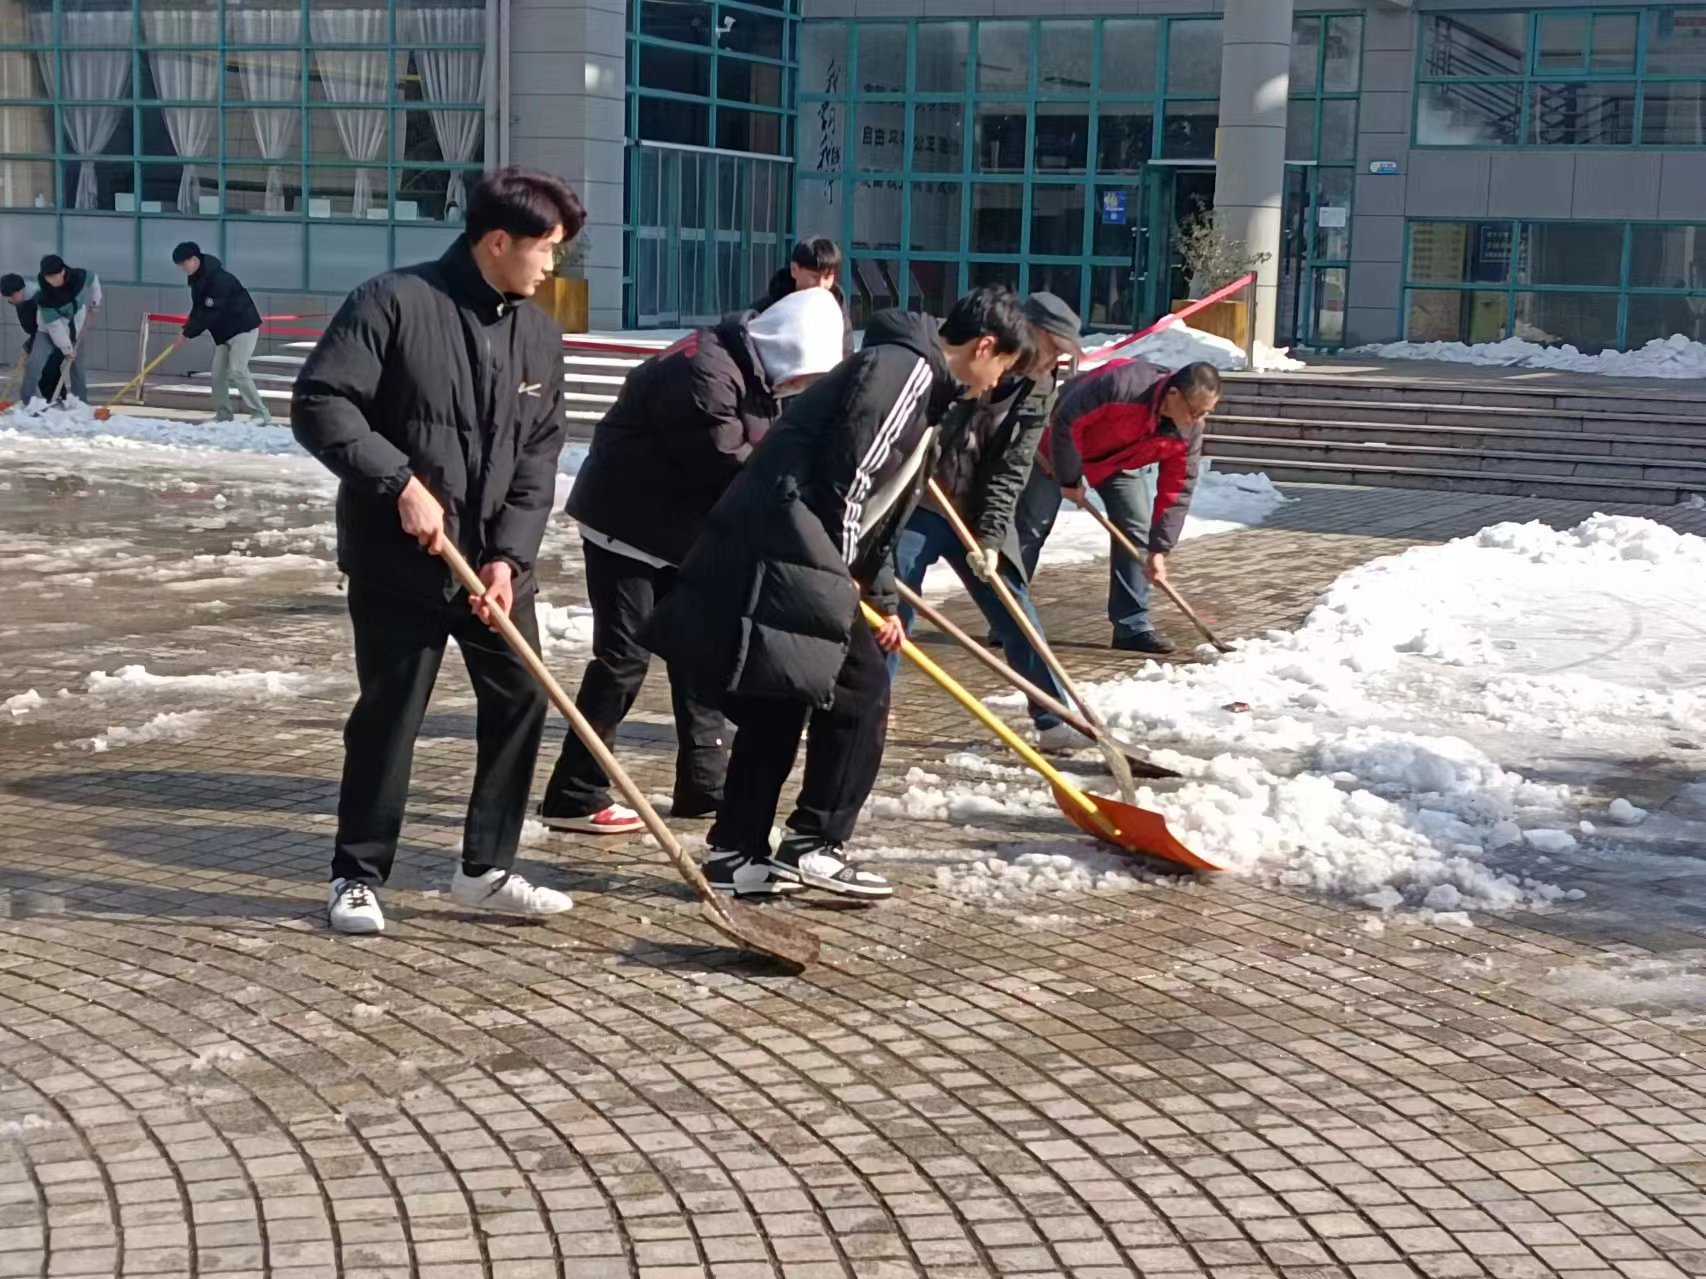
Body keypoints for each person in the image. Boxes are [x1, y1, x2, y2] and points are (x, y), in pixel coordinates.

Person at [642, 286, 1032, 901]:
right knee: (861, 692)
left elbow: (886, 508)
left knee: (780, 698)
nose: (994, 385)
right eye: (1002, 368)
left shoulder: (927, 389)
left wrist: (880, 597)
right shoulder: (908, 368)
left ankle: (734, 853)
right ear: (986, 346)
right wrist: (844, 577)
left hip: (793, 546)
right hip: (792, 548)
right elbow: (848, 480)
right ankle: (816, 845)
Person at [291, 166, 585, 937]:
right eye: (546, 250)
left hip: (488, 566)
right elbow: (321, 402)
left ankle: (485, 869)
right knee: (391, 713)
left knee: (522, 697)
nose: (552, 266)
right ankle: (356, 872)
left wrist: (509, 559)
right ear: (497, 241)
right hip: (400, 561)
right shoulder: (392, 303)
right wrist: (398, 483)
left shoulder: (539, 334)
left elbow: (538, 457)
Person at [541, 286, 848, 835]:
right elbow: (733, 464)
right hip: (626, 526)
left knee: (700, 653)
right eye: (803, 376)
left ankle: (705, 787)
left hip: (680, 535)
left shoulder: (755, 371)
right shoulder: (704, 371)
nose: (800, 389)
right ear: (787, 348)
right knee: (623, 661)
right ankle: (574, 793)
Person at [890, 292, 1084, 750]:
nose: (1055, 359)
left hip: (976, 512)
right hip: (922, 501)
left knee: (1013, 606)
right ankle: (864, 707)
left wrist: (992, 537)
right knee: (893, 606)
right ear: (1025, 329)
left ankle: (1054, 717)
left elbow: (1011, 466)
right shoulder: (966, 354)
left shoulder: (1039, 389)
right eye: (1052, 346)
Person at [1015, 359, 1222, 653]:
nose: (1196, 419)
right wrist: (1070, 478)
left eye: (1205, 413)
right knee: (1032, 527)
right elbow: (1067, 420)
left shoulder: (1189, 431)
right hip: (1058, 444)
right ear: (1173, 394)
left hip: (1117, 462)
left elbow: (1178, 488)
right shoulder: (1124, 385)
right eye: (1194, 411)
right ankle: (1007, 619)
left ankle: (1132, 626)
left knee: (1135, 528)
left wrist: (1160, 549)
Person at [170, 241, 269, 424]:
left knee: (237, 370)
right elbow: (198, 309)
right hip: (223, 335)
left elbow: (210, 312)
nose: (183, 269)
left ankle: (260, 414)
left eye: (184, 265)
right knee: (218, 375)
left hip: (243, 329)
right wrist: (185, 331)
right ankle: (224, 416)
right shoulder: (198, 280)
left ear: (194, 259)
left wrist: (187, 334)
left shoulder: (218, 279)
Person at [754, 237, 854, 357]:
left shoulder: (838, 305)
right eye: (814, 277)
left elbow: (846, 353)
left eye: (827, 277)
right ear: (794, 270)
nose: (821, 285)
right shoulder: (768, 309)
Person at [30, 254, 101, 404]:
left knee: (77, 367)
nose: (50, 281)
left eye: (53, 277)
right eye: (47, 277)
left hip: (77, 322)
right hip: (54, 329)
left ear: (62, 272)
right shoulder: (45, 296)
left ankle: (80, 403)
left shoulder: (79, 277)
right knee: (51, 363)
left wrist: (95, 301)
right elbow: (55, 327)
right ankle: (48, 399)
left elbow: (93, 279)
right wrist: (67, 349)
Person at [1, 272, 63, 402]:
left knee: (45, 370)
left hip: (56, 335)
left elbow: (45, 328)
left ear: (21, 289)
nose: (10, 300)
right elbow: (35, 329)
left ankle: (51, 403)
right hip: (43, 335)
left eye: (12, 296)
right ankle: (57, 401)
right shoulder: (22, 300)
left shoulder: (39, 300)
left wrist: (30, 345)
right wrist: (29, 344)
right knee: (48, 371)